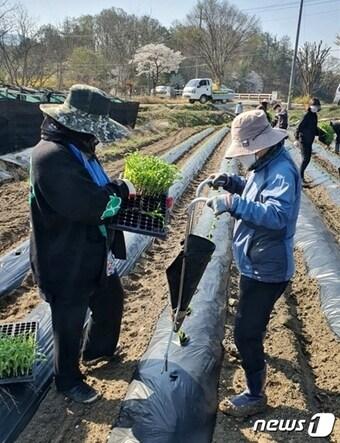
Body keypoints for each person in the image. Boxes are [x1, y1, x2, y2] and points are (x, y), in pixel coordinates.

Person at [29, 84, 133, 404]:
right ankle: (68, 380)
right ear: (77, 124)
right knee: (69, 319)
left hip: (91, 249)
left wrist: (115, 188)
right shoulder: (51, 157)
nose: (97, 137)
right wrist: (123, 191)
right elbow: (94, 206)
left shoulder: (76, 148)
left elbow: (97, 190)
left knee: (110, 299)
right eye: (94, 130)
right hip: (64, 257)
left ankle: (97, 353)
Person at [206, 110, 301, 417]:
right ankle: (253, 350)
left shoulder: (281, 171)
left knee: (245, 332)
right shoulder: (265, 164)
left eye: (245, 150)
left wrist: (232, 204)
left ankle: (255, 395)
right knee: (250, 325)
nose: (243, 157)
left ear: (259, 144)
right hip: (255, 262)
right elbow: (255, 192)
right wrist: (231, 183)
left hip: (268, 269)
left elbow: (276, 216)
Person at [294, 97, 321, 183]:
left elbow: (313, 127)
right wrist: (296, 138)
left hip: (310, 140)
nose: (315, 108)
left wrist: (321, 133)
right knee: (305, 159)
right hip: (304, 140)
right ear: (310, 106)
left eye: (317, 106)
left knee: (307, 159)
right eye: (314, 106)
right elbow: (299, 126)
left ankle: (300, 176)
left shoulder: (314, 115)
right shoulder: (306, 115)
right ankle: (300, 178)